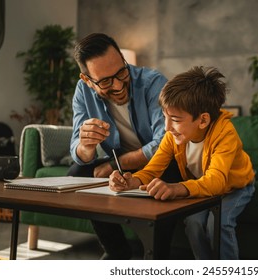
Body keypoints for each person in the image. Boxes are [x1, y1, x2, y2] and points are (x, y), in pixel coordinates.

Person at [109, 66, 255, 259]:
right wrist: (131, 181)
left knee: (218, 224)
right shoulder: (172, 135)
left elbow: (217, 182)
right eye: (164, 117)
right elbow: (152, 170)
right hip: (203, 185)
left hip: (235, 187)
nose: (167, 127)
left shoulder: (225, 134)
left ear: (202, 120)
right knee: (193, 223)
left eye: (175, 120)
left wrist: (176, 188)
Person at [69, 33, 180, 259]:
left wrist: (113, 165)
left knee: (166, 175)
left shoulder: (153, 83)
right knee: (77, 173)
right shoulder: (83, 92)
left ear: (122, 58)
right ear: (87, 80)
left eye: (121, 72)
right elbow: (78, 150)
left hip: (162, 161)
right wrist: (87, 146)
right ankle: (117, 254)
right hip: (123, 164)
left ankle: (157, 259)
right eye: (106, 81)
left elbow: (164, 142)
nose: (119, 85)